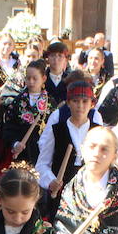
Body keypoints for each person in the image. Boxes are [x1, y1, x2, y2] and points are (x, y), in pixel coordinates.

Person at [35, 75, 98, 219]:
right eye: (75, 101)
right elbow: (41, 165)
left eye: (85, 101)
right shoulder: (56, 130)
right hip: (60, 195)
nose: (80, 106)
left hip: (89, 194)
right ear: (68, 103)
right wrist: (51, 181)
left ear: (92, 104)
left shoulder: (98, 131)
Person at [0, 59, 51, 175]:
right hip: (22, 151)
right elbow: (9, 127)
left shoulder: (50, 104)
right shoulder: (17, 102)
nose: (31, 82)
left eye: (35, 78)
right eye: (28, 78)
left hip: (42, 154)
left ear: (43, 79)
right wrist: (15, 143)